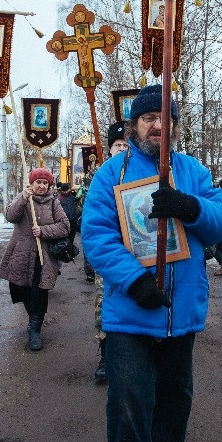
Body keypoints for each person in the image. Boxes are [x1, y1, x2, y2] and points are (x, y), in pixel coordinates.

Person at [82, 84, 222, 442]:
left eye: (166, 119)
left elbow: (220, 224)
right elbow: (97, 236)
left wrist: (189, 206)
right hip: (132, 315)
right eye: (149, 118)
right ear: (135, 125)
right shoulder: (110, 174)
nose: (157, 126)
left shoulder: (193, 172)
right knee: (129, 403)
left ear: (176, 127)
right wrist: (134, 281)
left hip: (180, 314)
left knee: (174, 405)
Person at [0, 168, 70, 351]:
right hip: (21, 253)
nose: (41, 186)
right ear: (32, 183)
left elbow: (65, 226)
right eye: (38, 182)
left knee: (40, 292)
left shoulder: (54, 203)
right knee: (22, 289)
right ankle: (33, 319)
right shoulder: (23, 199)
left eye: (45, 183)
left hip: (43, 256)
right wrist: (22, 197)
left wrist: (43, 231)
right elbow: (10, 216)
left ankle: (34, 330)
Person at [88, 120, 131, 384]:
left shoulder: (141, 172)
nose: (123, 149)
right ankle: (106, 354)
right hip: (110, 251)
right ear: (110, 148)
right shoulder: (103, 176)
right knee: (105, 300)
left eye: (127, 144)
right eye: (118, 145)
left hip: (138, 249)